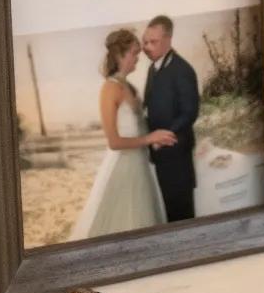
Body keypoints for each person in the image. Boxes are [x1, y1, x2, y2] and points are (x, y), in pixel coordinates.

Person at [73, 29, 174, 239]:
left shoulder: (129, 86)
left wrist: (157, 139)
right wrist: (150, 138)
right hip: (123, 168)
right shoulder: (110, 88)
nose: (138, 58)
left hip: (140, 166)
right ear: (120, 55)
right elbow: (114, 142)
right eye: (134, 53)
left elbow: (139, 128)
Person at [142, 15, 200, 221]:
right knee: (171, 214)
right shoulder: (152, 68)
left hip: (177, 156)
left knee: (182, 216)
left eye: (153, 42)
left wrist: (162, 138)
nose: (147, 47)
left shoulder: (183, 70)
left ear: (168, 40)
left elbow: (190, 112)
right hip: (161, 157)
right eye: (145, 42)